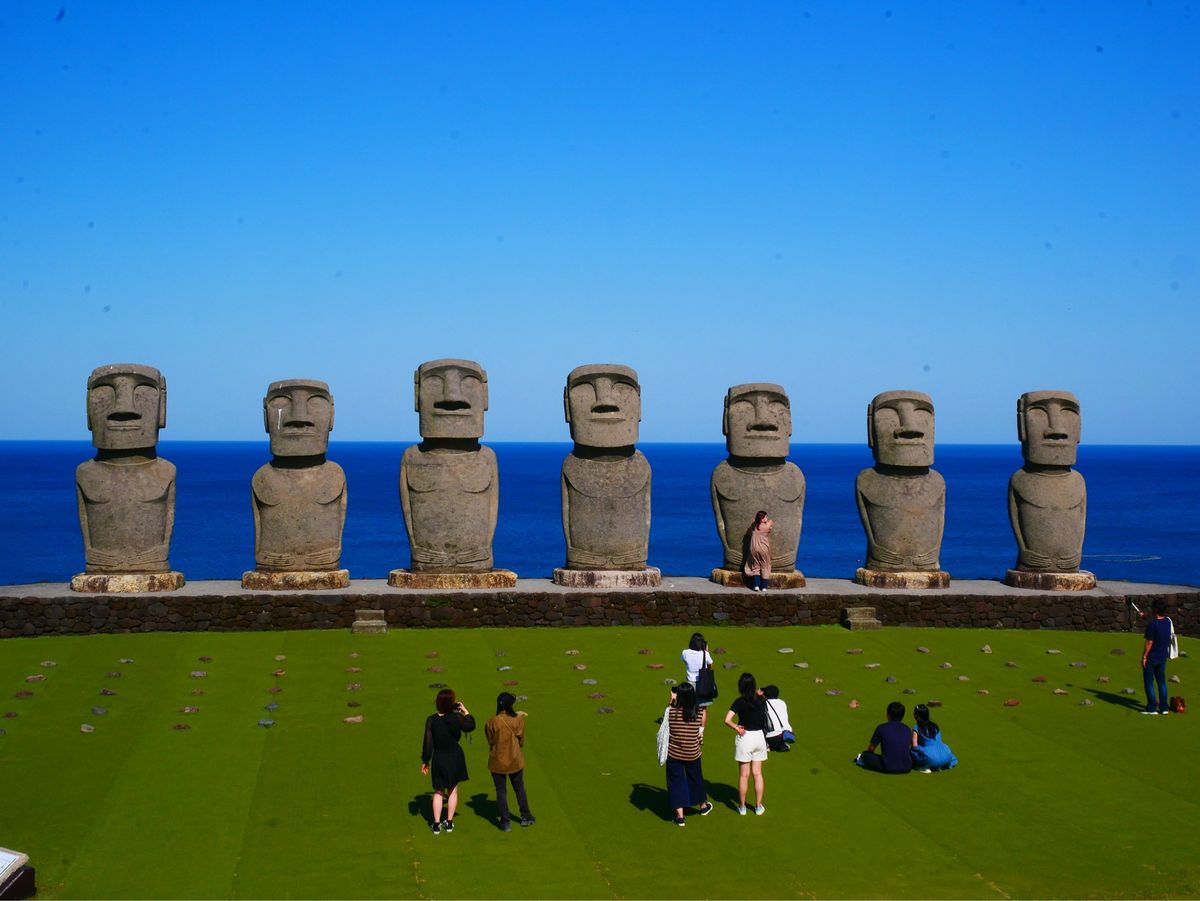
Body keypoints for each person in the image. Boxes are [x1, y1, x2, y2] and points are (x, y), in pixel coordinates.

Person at [421, 687, 476, 835]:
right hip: (455, 756)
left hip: (439, 757)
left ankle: (436, 824)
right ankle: (450, 822)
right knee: (452, 789)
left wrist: (426, 760)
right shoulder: (456, 717)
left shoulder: (431, 720)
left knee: (438, 791)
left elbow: (428, 744)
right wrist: (465, 711)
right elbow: (470, 725)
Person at [485, 691, 536, 832]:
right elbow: (521, 740)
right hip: (514, 760)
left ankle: (505, 822)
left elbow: (490, 740)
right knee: (519, 788)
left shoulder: (491, 721)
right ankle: (526, 816)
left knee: (501, 791)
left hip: (497, 761)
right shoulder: (517, 720)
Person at [664, 682, 713, 825]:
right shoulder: (698, 712)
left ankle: (680, 816)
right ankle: (703, 806)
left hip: (674, 753)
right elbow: (702, 723)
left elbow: (665, 718)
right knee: (696, 779)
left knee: (676, 782)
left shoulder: (672, 712)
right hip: (692, 753)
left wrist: (672, 700)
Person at [724, 672, 768, 814]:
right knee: (758, 773)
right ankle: (758, 806)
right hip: (760, 738)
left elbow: (727, 720)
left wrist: (737, 727)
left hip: (746, 737)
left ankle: (742, 807)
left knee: (744, 775)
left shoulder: (739, 701)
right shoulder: (762, 700)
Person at [855, 701, 912, 774]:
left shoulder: (882, 728)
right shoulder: (907, 729)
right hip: (907, 767)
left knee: (866, 755)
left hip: (888, 767)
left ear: (888, 714)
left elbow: (871, 748)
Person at [1142, 598, 1174, 715]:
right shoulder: (1168, 621)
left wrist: (1145, 656)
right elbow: (1157, 624)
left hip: (1152, 658)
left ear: (1155, 610)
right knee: (1162, 682)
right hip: (1162, 657)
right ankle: (1164, 707)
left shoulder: (1153, 624)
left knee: (1149, 683)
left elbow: (1149, 642)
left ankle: (1151, 708)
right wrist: (1145, 617)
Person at [909, 703, 957, 772]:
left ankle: (925, 767)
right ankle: (938, 766)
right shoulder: (935, 726)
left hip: (930, 757)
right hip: (946, 756)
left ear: (916, 715)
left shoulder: (916, 727)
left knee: (911, 752)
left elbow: (914, 746)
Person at [680, 632, 715, 704]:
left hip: (690, 684)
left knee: (690, 707)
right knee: (703, 708)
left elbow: (684, 661)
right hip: (703, 683)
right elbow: (710, 665)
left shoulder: (685, 652)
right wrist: (706, 652)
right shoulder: (705, 653)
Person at [743, 511, 773, 591]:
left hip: (753, 548)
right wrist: (768, 521)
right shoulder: (766, 526)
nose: (767, 518)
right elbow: (771, 523)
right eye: (765, 517)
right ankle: (764, 587)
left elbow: (753, 522)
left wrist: (758, 520)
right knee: (765, 566)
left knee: (756, 566)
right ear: (761, 519)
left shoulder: (754, 525)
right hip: (763, 548)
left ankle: (756, 585)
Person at [761, 685, 794, 752]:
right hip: (788, 733)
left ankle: (768, 745)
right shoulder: (782, 702)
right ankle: (781, 744)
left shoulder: (764, 703)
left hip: (773, 737)